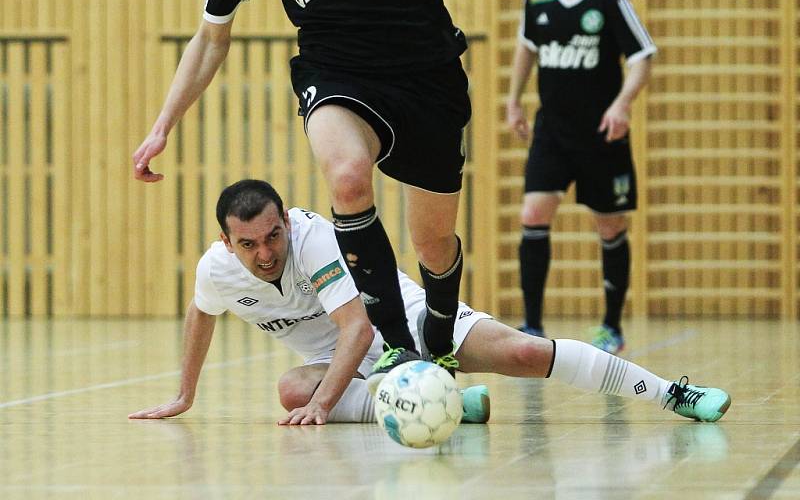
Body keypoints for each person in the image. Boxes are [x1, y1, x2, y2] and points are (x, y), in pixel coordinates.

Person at [132, 0, 470, 386]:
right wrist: (162, 124)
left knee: (434, 244)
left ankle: (440, 337)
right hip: (335, 69)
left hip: (426, 67)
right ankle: (396, 346)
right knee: (345, 176)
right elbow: (210, 38)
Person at [128, 180, 730, 426]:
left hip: (402, 324)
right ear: (229, 244)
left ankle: (672, 393)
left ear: (286, 221)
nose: (265, 254)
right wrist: (186, 393)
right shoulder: (219, 269)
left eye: (272, 235)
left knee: (522, 352)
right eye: (249, 244)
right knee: (291, 388)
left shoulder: (314, 239)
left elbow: (359, 330)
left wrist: (325, 408)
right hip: (352, 359)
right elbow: (200, 313)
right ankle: (448, 405)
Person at [505, 0, 657, 354]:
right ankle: (532, 325)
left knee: (610, 225)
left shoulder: (612, 3)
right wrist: (513, 100)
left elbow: (644, 57)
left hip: (601, 136)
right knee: (533, 215)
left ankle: (611, 326)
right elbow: (527, 48)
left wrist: (621, 104)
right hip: (552, 132)